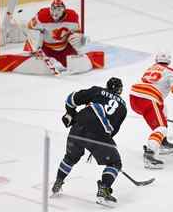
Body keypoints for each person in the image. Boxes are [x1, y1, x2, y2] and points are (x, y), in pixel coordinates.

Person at [51, 77, 127, 206]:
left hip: (78, 127)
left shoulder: (97, 91)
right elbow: (112, 130)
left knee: (70, 157)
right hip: (98, 135)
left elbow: (71, 99)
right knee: (114, 163)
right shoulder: (123, 107)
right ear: (120, 90)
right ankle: (103, 190)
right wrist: (106, 142)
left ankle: (58, 182)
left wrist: (70, 114)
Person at [129, 52, 173, 169]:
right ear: (169, 62)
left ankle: (162, 141)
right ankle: (150, 154)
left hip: (134, 96)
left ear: (156, 60)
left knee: (163, 108)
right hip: (148, 98)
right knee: (161, 128)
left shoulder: (151, 68)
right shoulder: (172, 72)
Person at [24, 0, 103, 75]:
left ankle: (81, 57)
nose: (55, 13)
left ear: (63, 10)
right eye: (53, 9)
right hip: (46, 48)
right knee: (36, 33)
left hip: (64, 49)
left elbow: (76, 32)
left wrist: (81, 39)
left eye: (58, 10)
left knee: (77, 40)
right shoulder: (42, 15)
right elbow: (30, 27)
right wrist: (35, 44)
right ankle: (34, 54)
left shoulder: (72, 16)